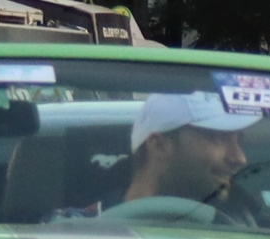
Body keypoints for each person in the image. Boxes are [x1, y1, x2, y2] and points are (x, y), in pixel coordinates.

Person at [109, 91, 260, 218]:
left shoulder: (248, 221)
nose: (240, 158)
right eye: (219, 139)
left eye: (238, 141)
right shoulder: (89, 228)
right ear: (159, 146)